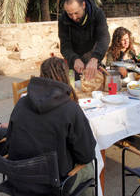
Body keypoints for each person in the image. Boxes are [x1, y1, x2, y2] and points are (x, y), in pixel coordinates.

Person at [6, 57, 96, 196]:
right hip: (55, 187)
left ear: (41, 75)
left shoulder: (21, 103)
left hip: (20, 181)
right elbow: (86, 155)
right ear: (64, 76)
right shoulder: (70, 109)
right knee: (90, 166)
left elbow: (10, 142)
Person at [58, 0, 110, 80]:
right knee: (74, 88)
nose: (74, 17)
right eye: (70, 14)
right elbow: (64, 45)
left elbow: (104, 38)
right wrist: (74, 59)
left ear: (83, 5)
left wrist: (95, 58)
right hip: (73, 62)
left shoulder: (97, 14)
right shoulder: (63, 20)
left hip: (93, 57)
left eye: (76, 13)